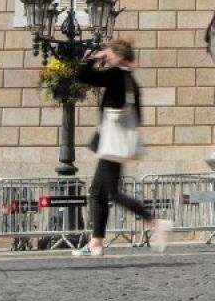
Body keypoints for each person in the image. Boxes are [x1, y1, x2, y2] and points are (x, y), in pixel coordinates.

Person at [71, 39, 167, 257]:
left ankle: (153, 221)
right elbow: (139, 116)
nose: (107, 56)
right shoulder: (131, 81)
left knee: (110, 193)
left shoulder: (115, 75)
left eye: (110, 53)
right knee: (98, 191)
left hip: (111, 142)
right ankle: (96, 242)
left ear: (119, 56)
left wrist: (93, 59)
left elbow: (83, 76)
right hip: (119, 142)